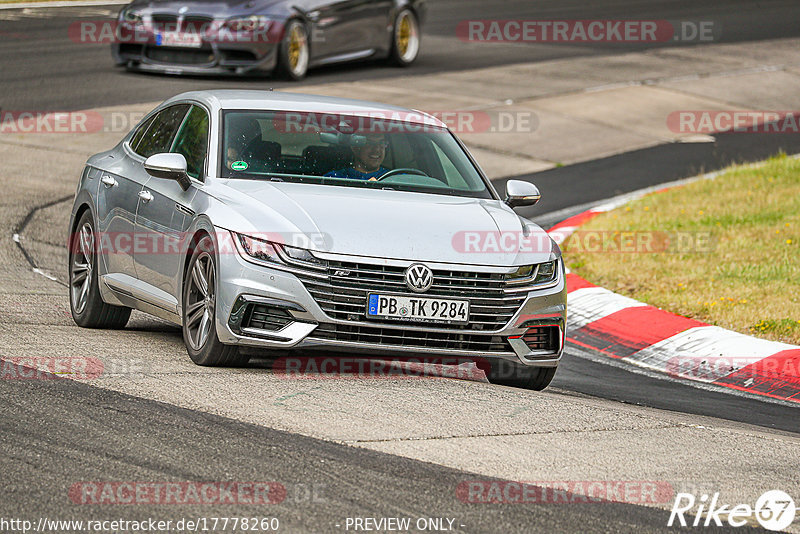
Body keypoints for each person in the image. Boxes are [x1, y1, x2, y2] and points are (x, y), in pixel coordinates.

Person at [325, 133, 389, 180]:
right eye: (369, 143)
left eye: (381, 143)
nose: (377, 149)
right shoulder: (335, 178)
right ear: (355, 147)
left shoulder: (393, 178)